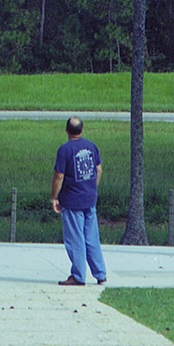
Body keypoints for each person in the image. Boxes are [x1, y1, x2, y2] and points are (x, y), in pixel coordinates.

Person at [51, 116, 107, 287]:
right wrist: (91, 188)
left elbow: (59, 176)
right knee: (91, 238)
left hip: (72, 200)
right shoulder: (91, 147)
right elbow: (98, 170)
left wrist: (54, 197)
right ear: (82, 130)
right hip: (89, 199)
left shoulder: (65, 150)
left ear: (67, 130)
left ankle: (78, 276)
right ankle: (100, 274)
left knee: (75, 239)